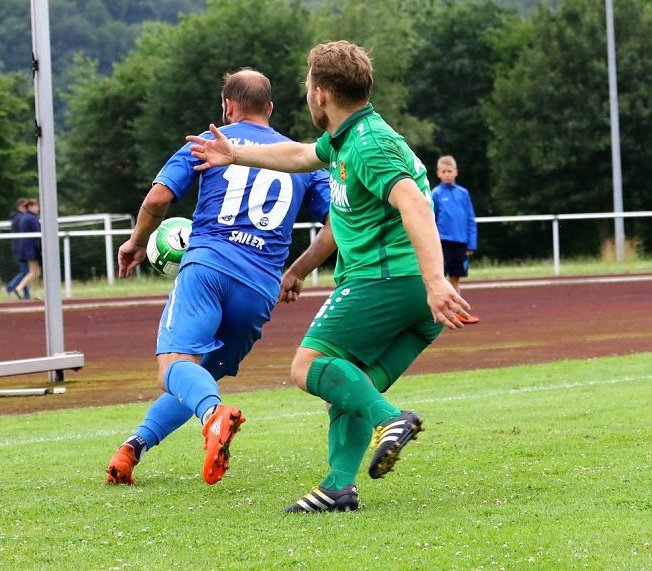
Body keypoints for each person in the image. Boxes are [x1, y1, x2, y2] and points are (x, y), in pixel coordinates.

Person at [186, 40, 471, 512]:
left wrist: (436, 280)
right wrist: (234, 154)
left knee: (306, 367)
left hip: (386, 282)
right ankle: (338, 486)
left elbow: (416, 204)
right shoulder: (345, 140)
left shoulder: (368, 144)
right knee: (349, 383)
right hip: (415, 298)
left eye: (305, 88)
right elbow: (300, 159)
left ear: (319, 93)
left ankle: (391, 420)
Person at [106, 68, 331, 487]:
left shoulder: (207, 142)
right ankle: (133, 446)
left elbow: (158, 198)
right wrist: (297, 271)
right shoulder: (300, 156)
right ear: (270, 108)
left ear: (228, 107)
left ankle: (214, 416)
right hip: (260, 286)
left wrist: (138, 240)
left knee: (174, 366)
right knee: (200, 373)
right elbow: (337, 224)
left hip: (208, 268)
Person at [432, 155, 479, 324]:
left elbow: (470, 219)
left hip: (461, 242)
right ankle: (436, 315)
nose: (447, 174)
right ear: (438, 173)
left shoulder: (463, 193)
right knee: (439, 279)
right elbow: (430, 220)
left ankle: (458, 313)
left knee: (455, 279)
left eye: (449, 171)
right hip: (442, 243)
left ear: (456, 172)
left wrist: (471, 242)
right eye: (443, 172)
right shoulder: (435, 194)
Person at [14, 198, 41, 300]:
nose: (37, 208)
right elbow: (38, 234)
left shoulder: (24, 217)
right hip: (31, 248)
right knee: (34, 272)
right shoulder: (32, 218)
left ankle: (35, 293)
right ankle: (19, 288)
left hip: (26, 248)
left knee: (35, 271)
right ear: (30, 207)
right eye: (36, 206)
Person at [4, 197, 30, 299]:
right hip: (20, 248)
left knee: (26, 271)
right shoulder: (20, 218)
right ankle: (10, 287)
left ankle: (26, 295)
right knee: (26, 272)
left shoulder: (19, 217)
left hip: (20, 247)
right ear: (20, 206)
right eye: (25, 206)